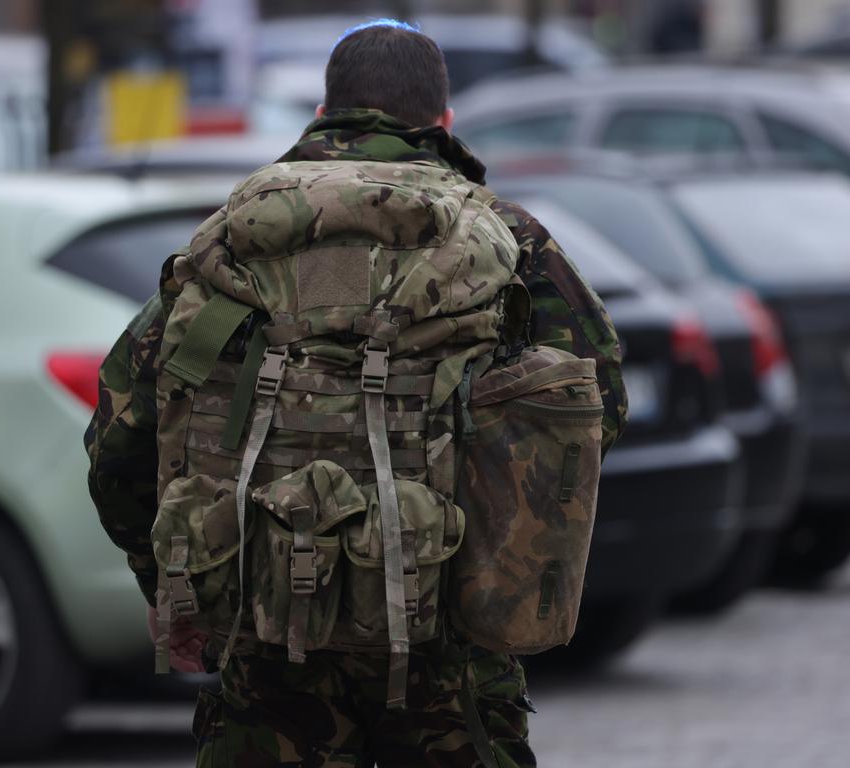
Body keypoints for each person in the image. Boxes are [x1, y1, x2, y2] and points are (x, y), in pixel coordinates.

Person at [86, 19, 626, 768]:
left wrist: (178, 590)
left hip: (266, 633)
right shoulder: (506, 239)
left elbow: (119, 436)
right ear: (443, 124)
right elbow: (595, 407)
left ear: (319, 118)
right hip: (447, 640)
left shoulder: (236, 237)